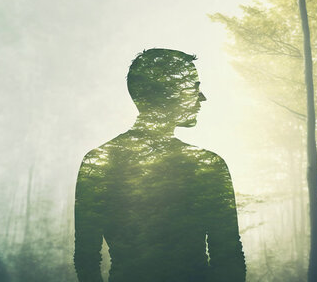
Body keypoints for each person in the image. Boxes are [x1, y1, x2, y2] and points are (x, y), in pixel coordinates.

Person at [74, 49, 246, 282]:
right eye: (193, 87)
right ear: (168, 93)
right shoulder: (208, 165)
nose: (201, 97)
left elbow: (86, 261)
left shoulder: (98, 162)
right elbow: (228, 259)